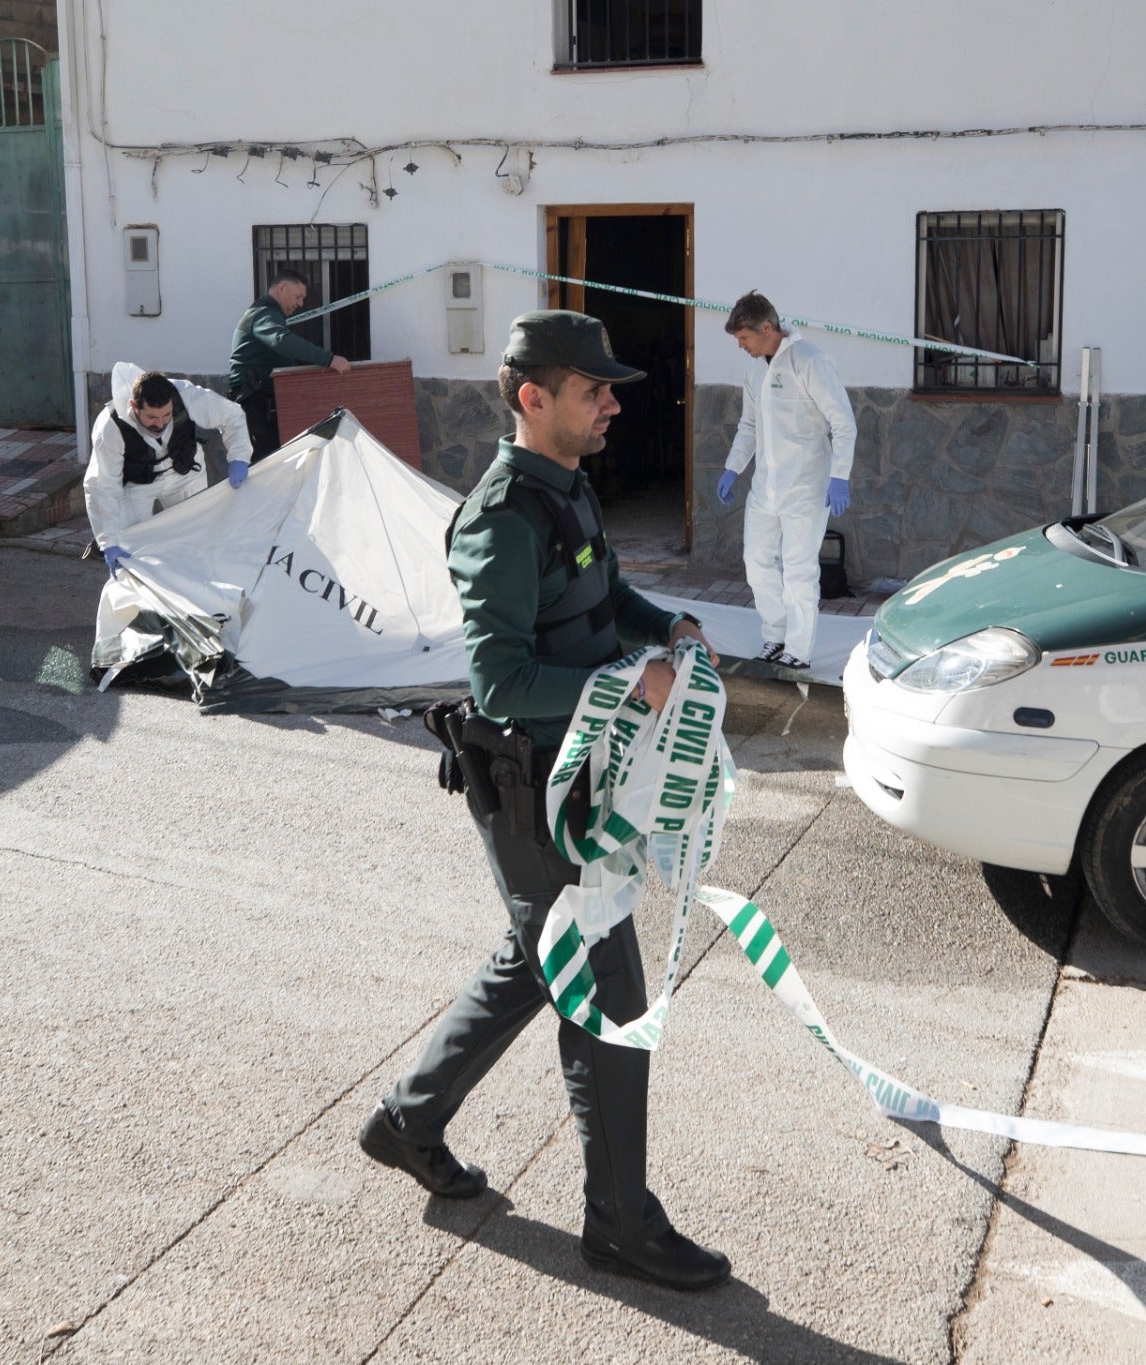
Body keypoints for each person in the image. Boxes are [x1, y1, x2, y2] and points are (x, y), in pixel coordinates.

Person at [360, 310, 728, 1292]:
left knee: (534, 966)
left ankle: (407, 1120)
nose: (612, 404)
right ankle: (618, 1221)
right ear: (534, 398)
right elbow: (499, 684)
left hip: (580, 777)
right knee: (609, 1004)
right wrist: (628, 686)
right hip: (531, 792)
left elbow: (602, 600)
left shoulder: (566, 489)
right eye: (593, 390)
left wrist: (670, 623)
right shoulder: (500, 518)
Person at [713, 291, 856, 673]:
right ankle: (774, 636)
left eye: (744, 338)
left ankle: (799, 648)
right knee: (756, 562)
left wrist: (839, 477)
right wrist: (733, 467)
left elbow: (843, 423)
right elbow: (749, 426)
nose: (740, 346)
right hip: (766, 488)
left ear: (766, 327)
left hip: (807, 487)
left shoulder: (810, 361)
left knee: (798, 569)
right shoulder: (756, 369)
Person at [83, 363, 252, 574]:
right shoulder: (110, 428)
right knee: (133, 549)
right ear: (133, 406)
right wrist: (108, 540)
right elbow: (102, 485)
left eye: (166, 415)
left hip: (184, 473)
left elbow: (232, 415)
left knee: (197, 538)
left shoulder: (185, 395)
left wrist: (239, 457)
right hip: (137, 484)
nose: (160, 423)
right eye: (152, 417)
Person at [226, 269, 352, 461]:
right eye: (298, 296)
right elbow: (281, 340)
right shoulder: (263, 313)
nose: (301, 304)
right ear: (282, 288)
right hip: (255, 405)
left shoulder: (270, 314)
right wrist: (329, 359)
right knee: (266, 466)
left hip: (265, 404)